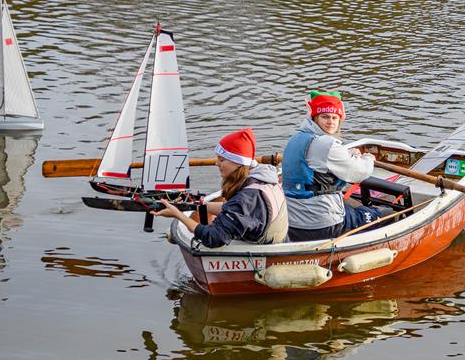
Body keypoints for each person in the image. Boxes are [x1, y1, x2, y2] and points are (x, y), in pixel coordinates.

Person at [153, 128, 289, 248]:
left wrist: (179, 215)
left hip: (262, 250)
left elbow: (212, 239)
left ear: (237, 163)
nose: (216, 163)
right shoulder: (263, 178)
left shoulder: (247, 198)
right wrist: (198, 205)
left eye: (222, 160)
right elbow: (232, 209)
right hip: (275, 240)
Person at [282, 91, 388, 242]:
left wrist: (346, 153)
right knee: (385, 215)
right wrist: (367, 159)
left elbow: (317, 159)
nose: (330, 122)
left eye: (334, 118)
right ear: (315, 118)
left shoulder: (297, 138)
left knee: (354, 209)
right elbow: (359, 172)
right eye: (325, 117)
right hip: (321, 223)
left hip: (291, 220)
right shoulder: (327, 144)